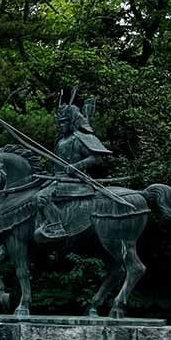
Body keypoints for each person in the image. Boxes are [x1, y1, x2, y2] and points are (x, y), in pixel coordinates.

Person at [34, 97, 112, 241]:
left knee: (42, 197)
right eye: (59, 122)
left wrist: (76, 166)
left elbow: (97, 158)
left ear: (71, 122)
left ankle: (56, 227)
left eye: (64, 122)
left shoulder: (79, 138)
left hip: (76, 181)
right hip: (59, 180)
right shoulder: (60, 141)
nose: (60, 125)